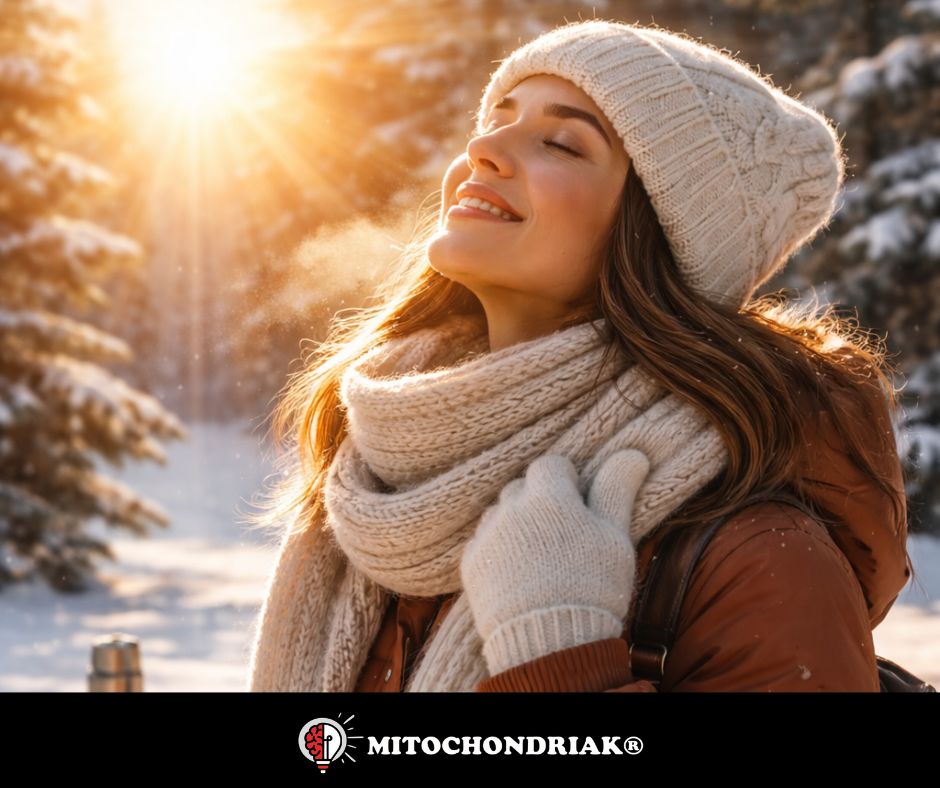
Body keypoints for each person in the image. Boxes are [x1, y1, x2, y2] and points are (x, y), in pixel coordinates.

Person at [246, 19, 913, 693]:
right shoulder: (376, 483)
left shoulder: (759, 556)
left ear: (656, 235)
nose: (484, 148)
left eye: (561, 143)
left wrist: (561, 654)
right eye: (497, 118)